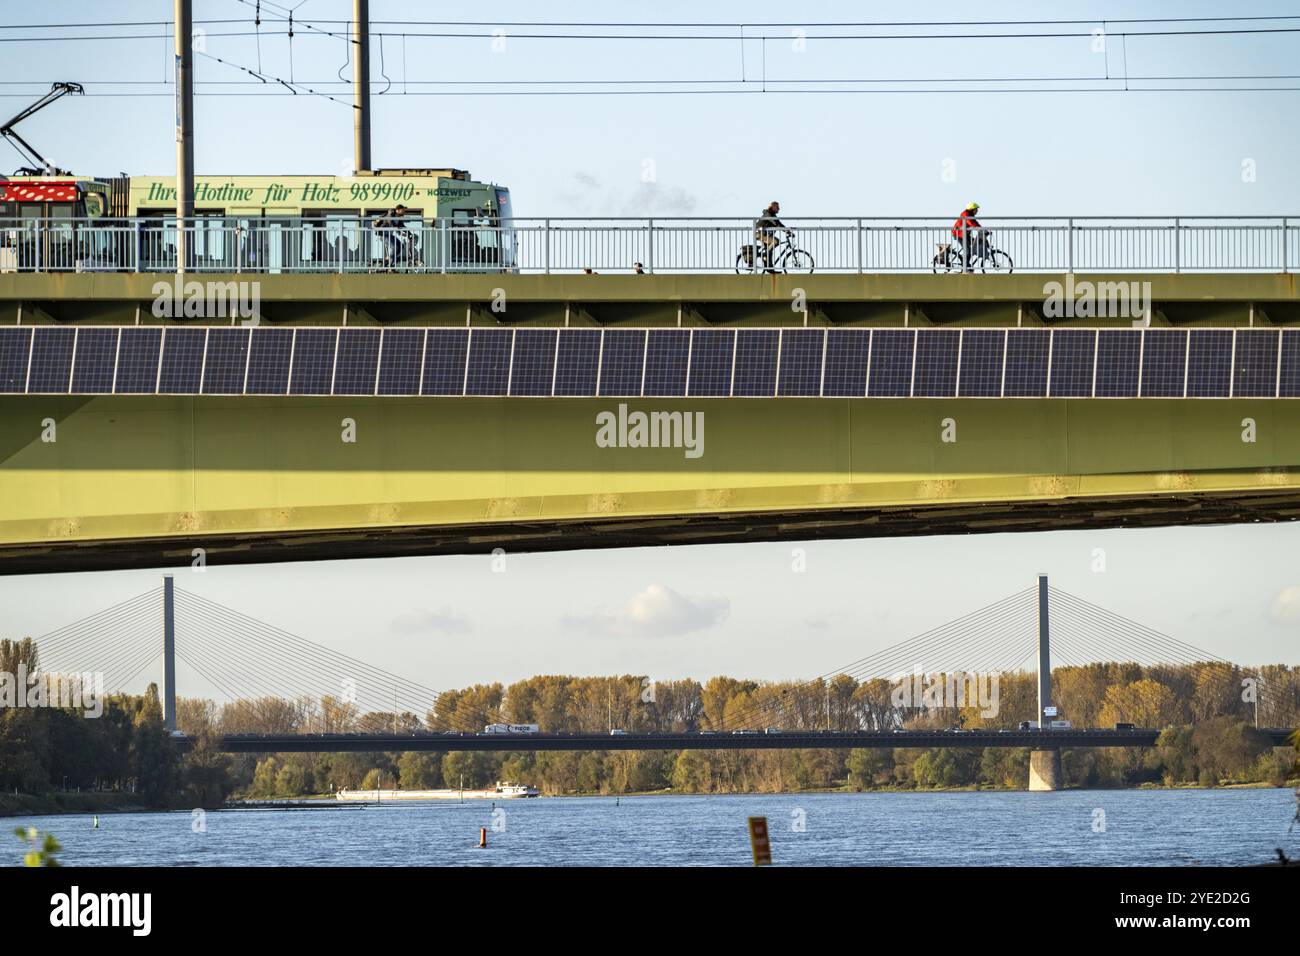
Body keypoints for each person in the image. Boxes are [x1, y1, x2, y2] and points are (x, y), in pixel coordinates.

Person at [754, 201, 789, 271]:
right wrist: (786, 231)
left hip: (764, 234)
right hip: (760, 234)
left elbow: (780, 224)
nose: (779, 209)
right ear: (772, 207)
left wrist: (788, 231)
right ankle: (765, 254)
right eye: (777, 207)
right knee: (776, 241)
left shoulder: (773, 215)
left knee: (770, 251)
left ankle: (770, 268)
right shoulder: (768, 214)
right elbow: (775, 223)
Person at [951, 202, 985, 272]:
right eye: (976, 209)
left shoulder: (970, 215)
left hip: (964, 234)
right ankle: (965, 267)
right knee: (968, 251)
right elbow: (971, 223)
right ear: (972, 209)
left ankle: (967, 264)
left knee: (974, 244)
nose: (977, 211)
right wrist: (980, 230)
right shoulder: (965, 214)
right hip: (959, 234)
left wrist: (983, 230)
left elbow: (975, 223)